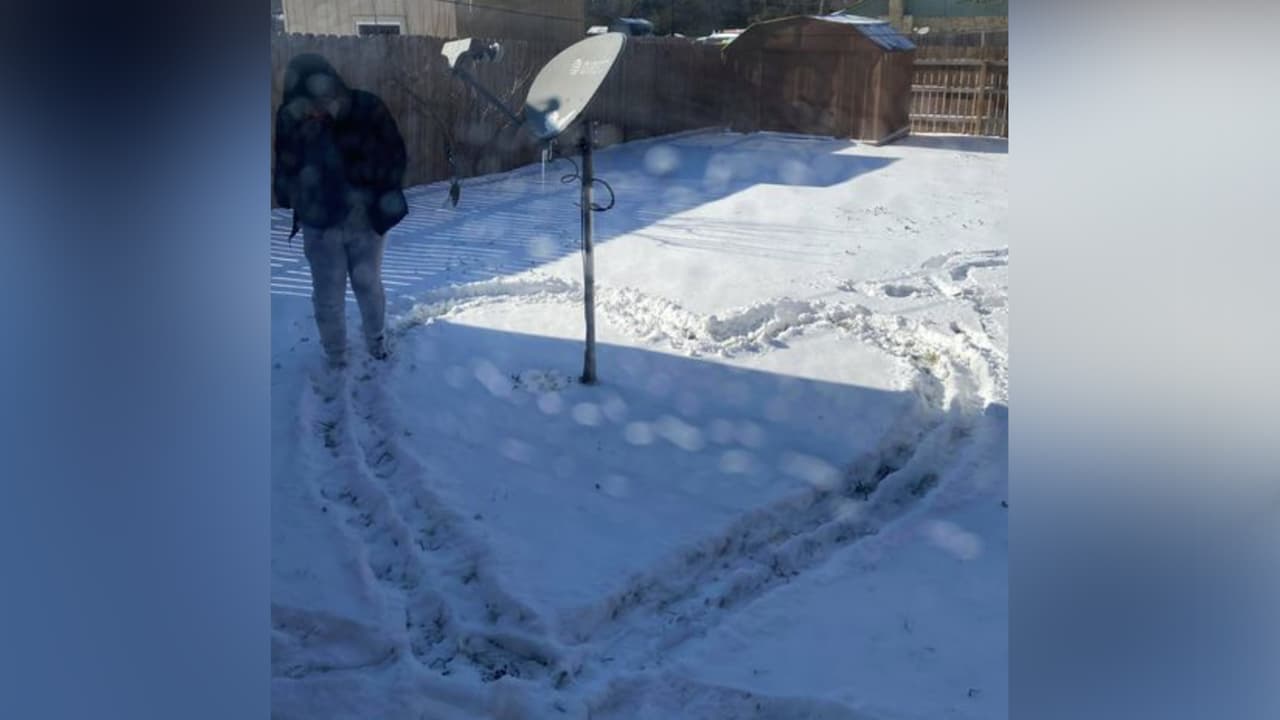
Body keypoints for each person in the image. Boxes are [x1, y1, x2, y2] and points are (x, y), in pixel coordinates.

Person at [273, 53, 408, 367]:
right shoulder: (290, 117)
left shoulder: (367, 108)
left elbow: (396, 156)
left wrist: (367, 186)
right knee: (328, 297)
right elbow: (284, 164)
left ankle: (376, 341)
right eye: (305, 105)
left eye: (319, 101)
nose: (314, 111)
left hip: (365, 220)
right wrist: (289, 192)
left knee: (367, 283)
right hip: (319, 223)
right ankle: (336, 356)